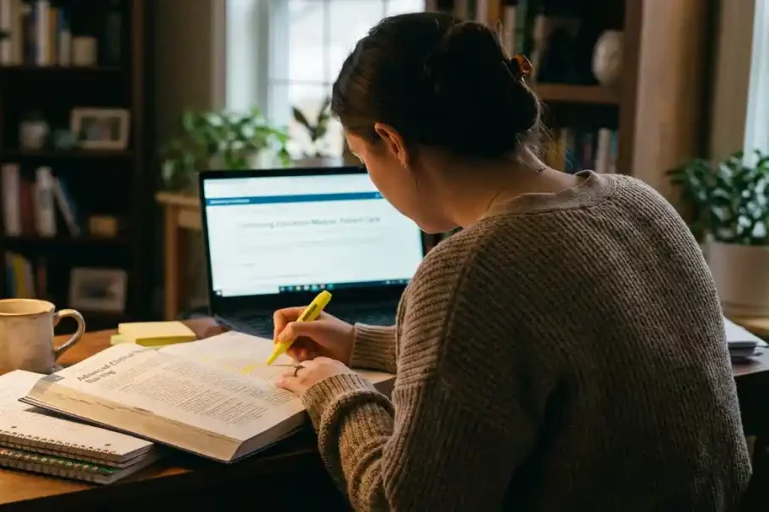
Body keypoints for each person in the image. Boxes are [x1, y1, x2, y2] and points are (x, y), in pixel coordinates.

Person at [272, 12, 751, 511]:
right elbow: (533, 356)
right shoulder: (641, 203)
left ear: (393, 142)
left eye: (361, 158)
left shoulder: (468, 270)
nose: (369, 179)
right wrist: (358, 343)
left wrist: (338, 391)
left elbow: (402, 504)